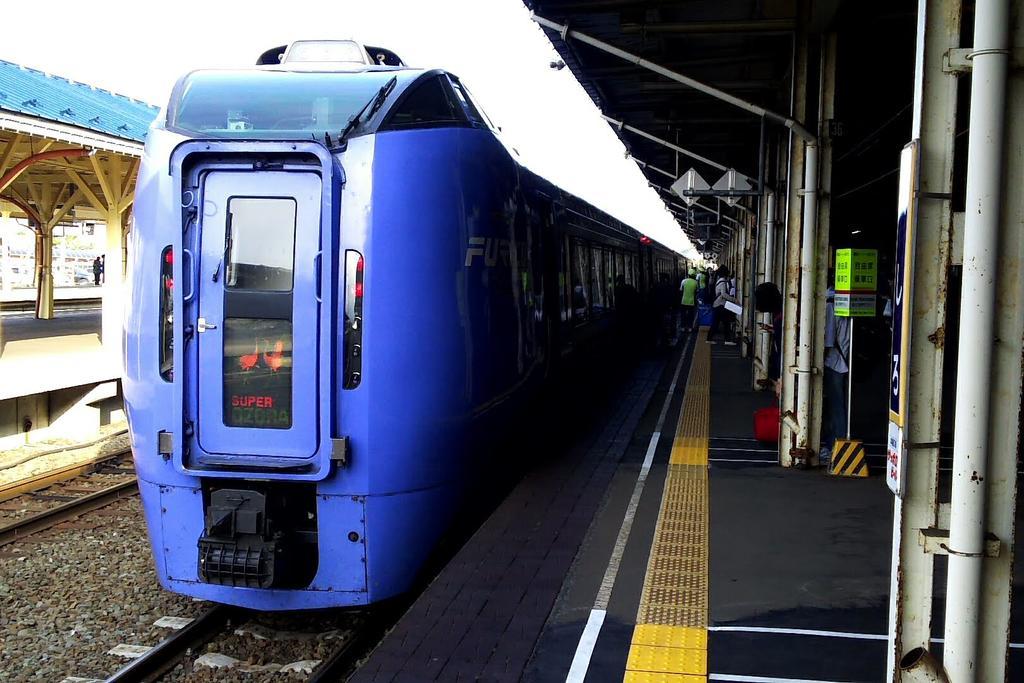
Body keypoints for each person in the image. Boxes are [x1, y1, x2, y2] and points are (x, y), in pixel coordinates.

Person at [821, 285, 851, 469]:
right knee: (837, 406)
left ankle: (835, 445)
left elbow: (828, 340)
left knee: (835, 407)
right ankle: (834, 443)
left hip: (834, 362)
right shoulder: (842, 303)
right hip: (844, 360)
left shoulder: (829, 305)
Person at [754, 282, 783, 397]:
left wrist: (780, 376)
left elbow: (782, 347)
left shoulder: (779, 316)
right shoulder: (780, 311)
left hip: (781, 364)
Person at [707, 267, 738, 345]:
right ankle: (727, 340)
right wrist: (734, 300)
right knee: (726, 323)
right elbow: (724, 294)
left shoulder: (718, 281)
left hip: (717, 304)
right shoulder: (723, 282)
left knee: (716, 323)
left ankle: (709, 338)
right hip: (720, 305)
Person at [679, 270, 698, 334]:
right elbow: (697, 291)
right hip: (691, 301)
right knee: (690, 315)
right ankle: (689, 327)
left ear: (688, 274)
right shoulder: (695, 282)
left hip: (683, 301)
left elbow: (681, 290)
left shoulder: (683, 281)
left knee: (683, 315)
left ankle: (683, 327)